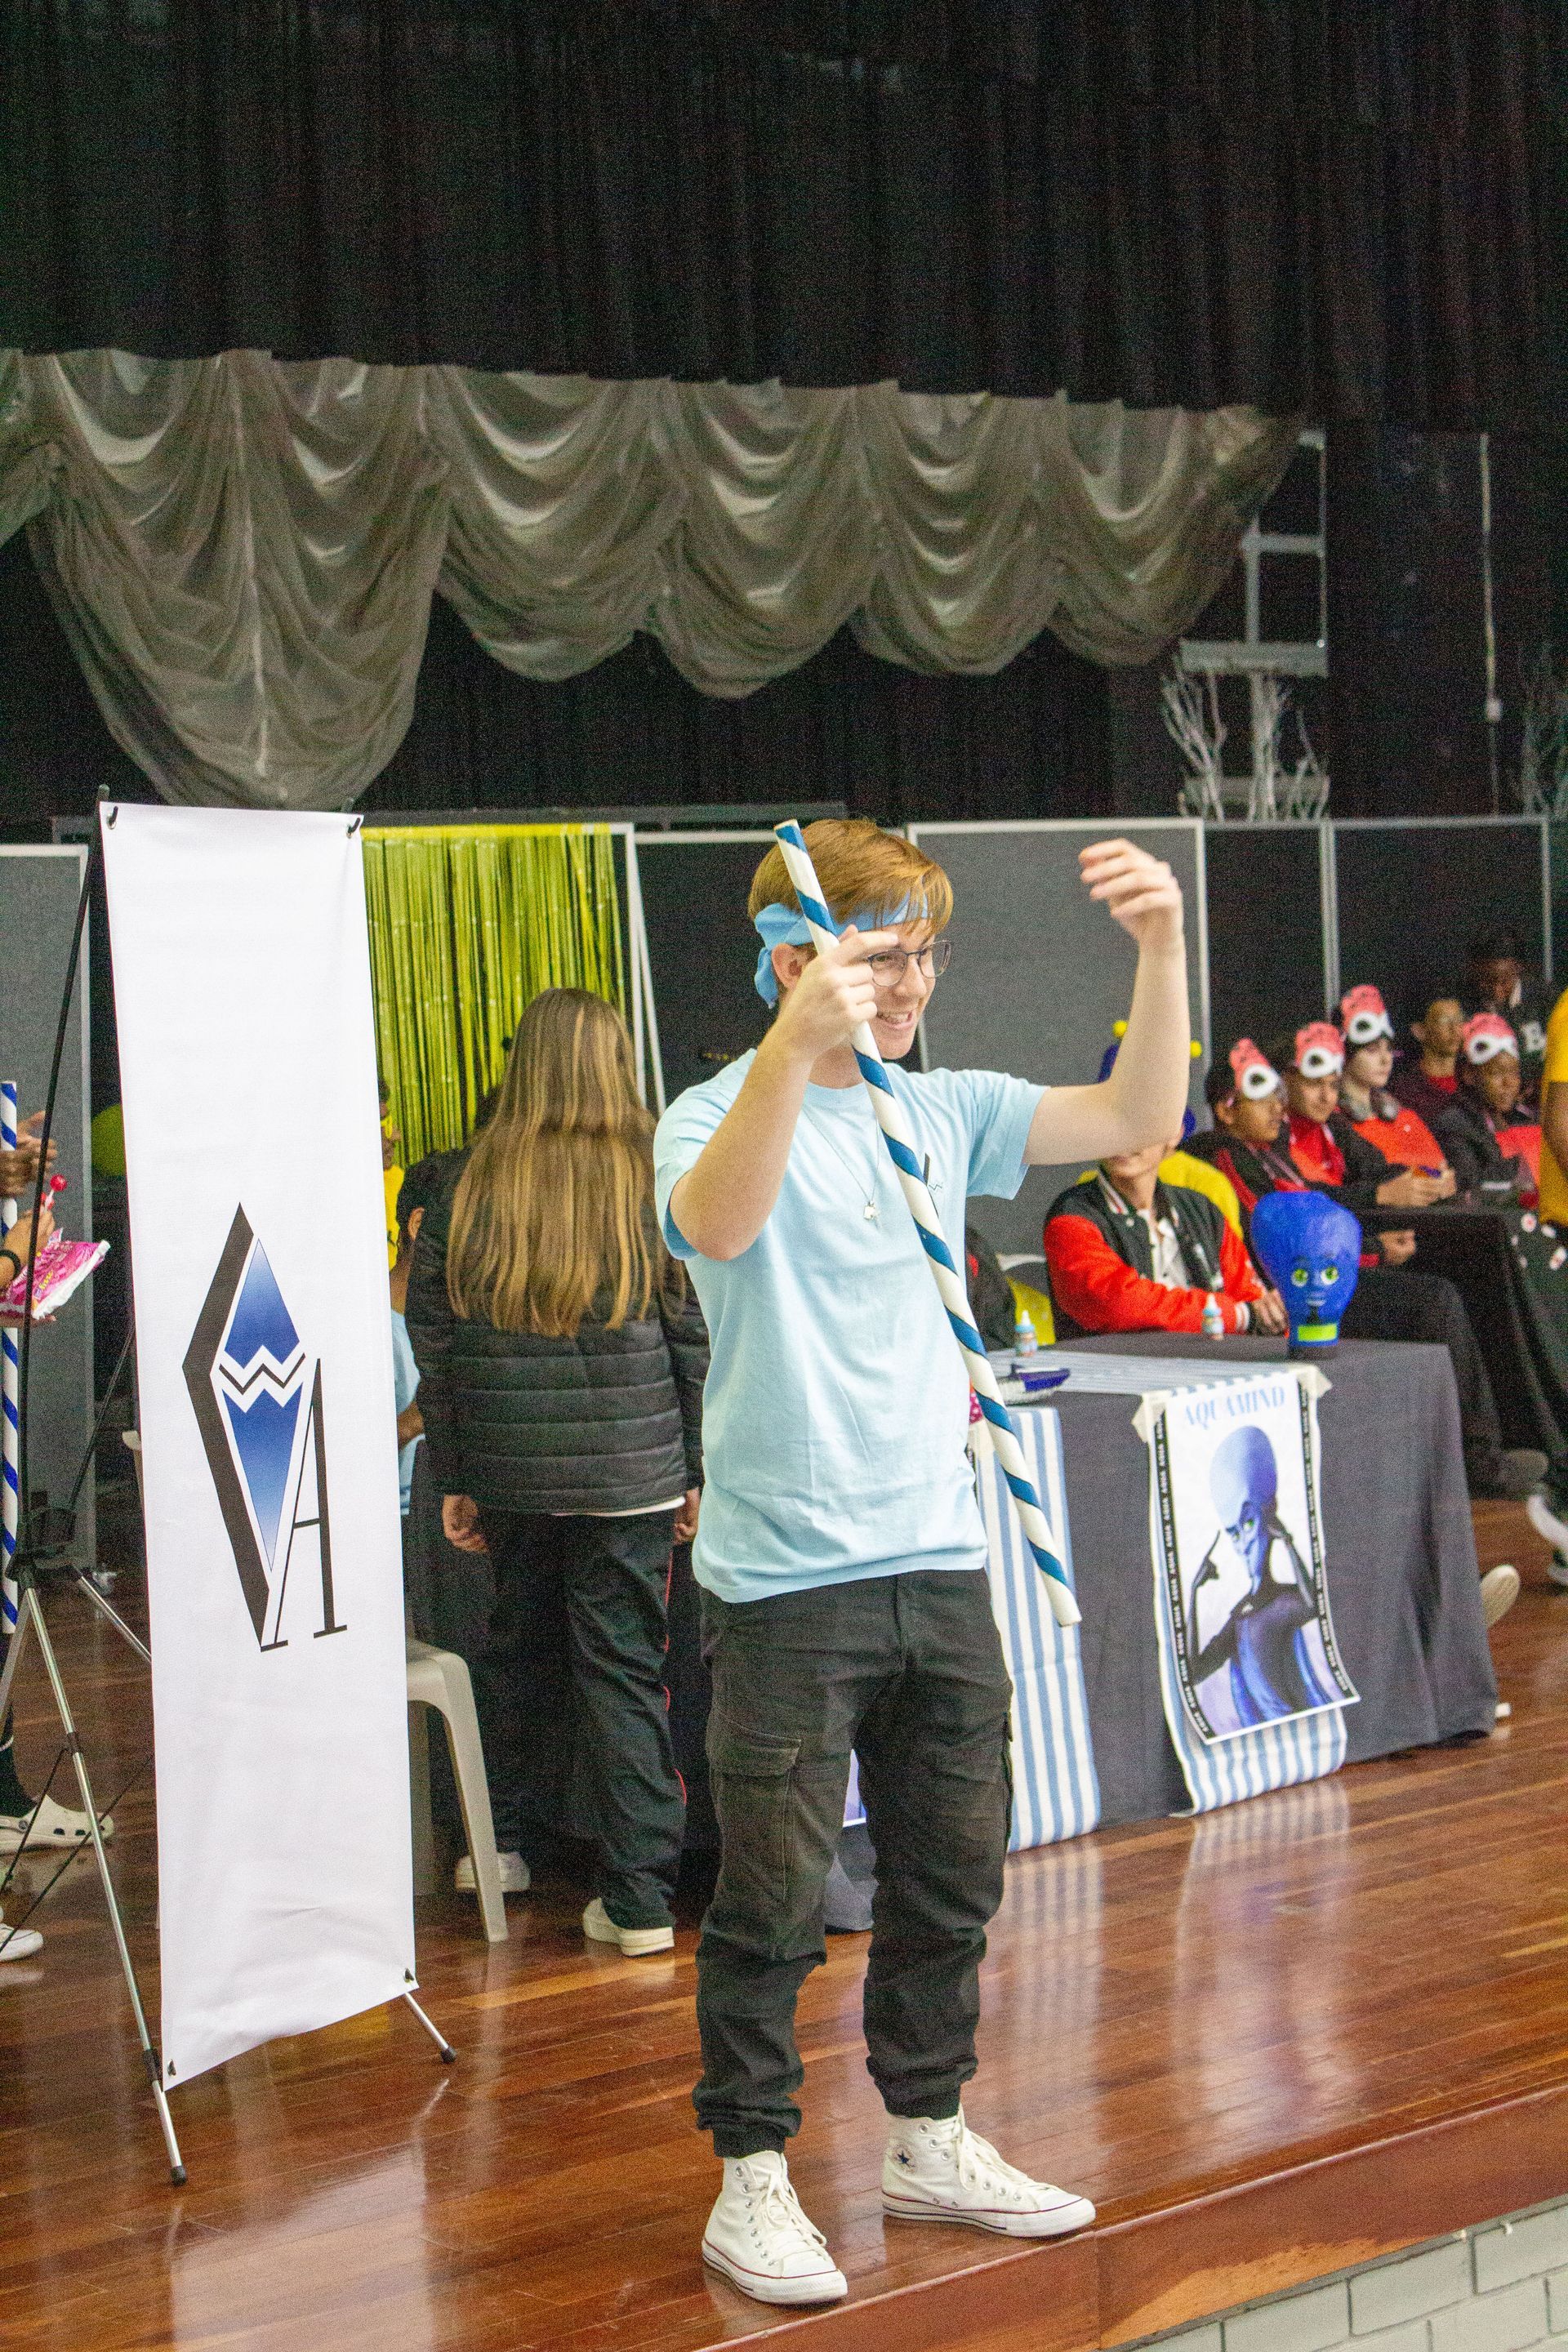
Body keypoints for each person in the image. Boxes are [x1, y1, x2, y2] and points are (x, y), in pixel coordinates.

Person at [655, 817, 1190, 2305]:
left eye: (923, 957)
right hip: (782, 1580)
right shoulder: (708, 1113)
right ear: (794, 959)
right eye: (883, 956)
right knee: (769, 1898)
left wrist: (1162, 947)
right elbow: (719, 1224)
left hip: (940, 1559)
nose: (911, 985)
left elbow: (1140, 1108)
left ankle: (927, 2133)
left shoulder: (945, 1110)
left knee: (953, 1874)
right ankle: (752, 2174)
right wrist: (793, 1047)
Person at [407, 988, 706, 1946]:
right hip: (635, 1474)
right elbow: (690, 1334)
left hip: (509, 1469)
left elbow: (436, 1341)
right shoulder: (657, 1173)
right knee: (624, 1671)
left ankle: (498, 1846)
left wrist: (454, 1469)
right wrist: (698, 1468)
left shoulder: (467, 1180)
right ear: (619, 1062)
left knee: (517, 1655)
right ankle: (639, 1901)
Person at [1187, 1039, 1544, 1503]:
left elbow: (1326, 1199)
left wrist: (1418, 1187)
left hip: (1319, 1280)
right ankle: (1479, 1461)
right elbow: (1287, 1239)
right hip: (1298, 1299)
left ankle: (1482, 1444)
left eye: (1280, 1094)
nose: (1280, 1107)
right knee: (1435, 1300)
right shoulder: (1223, 1154)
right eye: (1265, 1096)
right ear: (1227, 1110)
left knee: (1448, 1279)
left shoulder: (1266, 1152)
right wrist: (1372, 1249)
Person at [1042, 1134, 1288, 1338]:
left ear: (1174, 1133)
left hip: (1211, 1378)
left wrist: (1270, 1315)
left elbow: (1252, 1302)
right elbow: (1119, 1306)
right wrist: (1237, 1315)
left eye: (1140, 1121)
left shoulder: (1201, 1209)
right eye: (1110, 1121)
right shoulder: (1070, 1217)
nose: (1122, 1136)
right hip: (1116, 1386)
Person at [1335, 986, 1449, 1173]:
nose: (1385, 1059)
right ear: (1345, 1054)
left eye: (1389, 1049)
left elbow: (1443, 1172)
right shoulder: (1334, 1124)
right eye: (1372, 1050)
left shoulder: (1405, 1117)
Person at [1432, 1014, 1536, 1200]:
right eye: (1496, 1073)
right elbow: (1473, 1186)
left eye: (1513, 1072)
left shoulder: (1525, 1119)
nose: (1508, 1083)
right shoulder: (1454, 1124)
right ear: (1469, 1075)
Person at [1463, 925, 1549, 1103]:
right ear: (1474, 971)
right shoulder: (1464, 1003)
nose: (1496, 990)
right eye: (1487, 981)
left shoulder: (1547, 1000)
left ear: (1518, 969)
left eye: (1505, 981)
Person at [1389, 995, 1466, 1129]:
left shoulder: (1472, 1079)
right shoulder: (1406, 1091)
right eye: (1444, 1021)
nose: (1455, 1030)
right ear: (1420, 1031)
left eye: (1459, 1020)